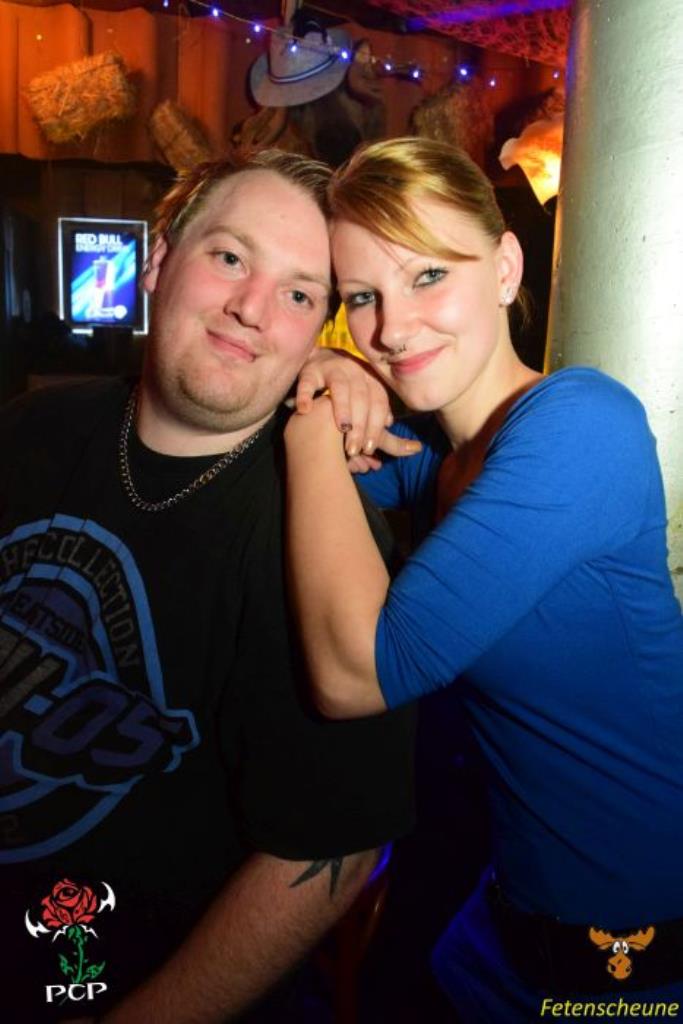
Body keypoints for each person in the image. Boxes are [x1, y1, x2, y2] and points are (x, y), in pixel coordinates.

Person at [0, 150, 416, 1023]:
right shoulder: (35, 427)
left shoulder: (318, 536)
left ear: (320, 333)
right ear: (157, 261)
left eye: (299, 294)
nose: (251, 310)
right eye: (229, 257)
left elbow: (330, 848)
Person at [284, 137, 683, 1020]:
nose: (391, 330)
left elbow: (353, 674)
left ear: (504, 268)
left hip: (640, 975)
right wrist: (322, 367)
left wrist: (312, 418)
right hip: (495, 938)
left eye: (428, 275)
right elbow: (267, 490)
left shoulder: (580, 423)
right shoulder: (435, 453)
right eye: (361, 297)